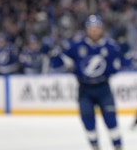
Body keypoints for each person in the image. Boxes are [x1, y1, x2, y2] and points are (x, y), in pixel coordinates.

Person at [51, 15, 123, 150]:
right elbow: (57, 63)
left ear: (101, 29)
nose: (94, 31)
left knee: (111, 121)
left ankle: (118, 146)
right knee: (88, 121)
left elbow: (117, 67)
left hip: (103, 88)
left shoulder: (110, 46)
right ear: (87, 29)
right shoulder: (77, 46)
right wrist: (56, 53)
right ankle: (95, 146)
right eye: (91, 28)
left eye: (97, 28)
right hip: (84, 90)